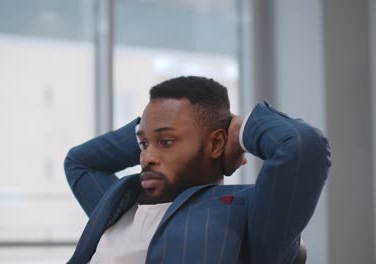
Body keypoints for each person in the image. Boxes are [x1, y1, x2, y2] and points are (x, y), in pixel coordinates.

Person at [64, 76, 331, 264]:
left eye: (166, 141)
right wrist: (152, 129)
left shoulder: (243, 214)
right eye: (143, 144)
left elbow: (302, 147)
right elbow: (80, 161)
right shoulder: (118, 203)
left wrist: (240, 129)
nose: (146, 158)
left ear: (216, 143)